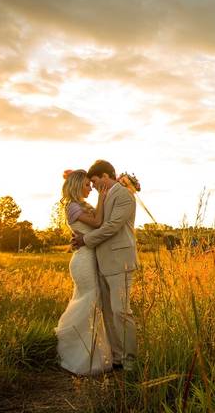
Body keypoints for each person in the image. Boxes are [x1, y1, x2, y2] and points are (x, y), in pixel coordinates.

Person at [71, 160, 138, 371]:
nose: (93, 186)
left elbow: (111, 227)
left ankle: (130, 361)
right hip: (101, 262)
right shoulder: (106, 196)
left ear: (105, 177)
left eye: (95, 181)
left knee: (121, 312)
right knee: (109, 313)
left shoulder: (124, 195)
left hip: (121, 262)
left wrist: (85, 240)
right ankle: (118, 358)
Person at [54, 169, 112, 375]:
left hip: (89, 257)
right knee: (90, 299)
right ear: (77, 185)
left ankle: (92, 353)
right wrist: (103, 196)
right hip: (83, 260)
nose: (91, 188)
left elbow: (98, 222)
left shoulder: (79, 205)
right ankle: (80, 356)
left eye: (91, 185)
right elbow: (97, 223)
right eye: (87, 185)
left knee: (91, 302)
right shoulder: (72, 206)